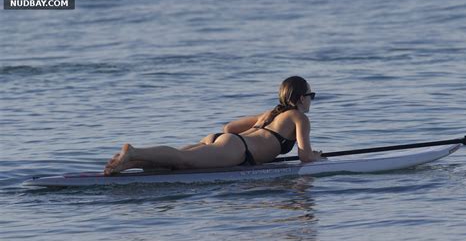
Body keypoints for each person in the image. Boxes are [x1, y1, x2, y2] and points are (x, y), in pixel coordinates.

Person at [104, 76, 323, 175]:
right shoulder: (299, 117)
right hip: (237, 150)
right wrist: (317, 157)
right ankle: (133, 151)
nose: (311, 99)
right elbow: (304, 157)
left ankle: (127, 165)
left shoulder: (272, 113)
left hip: (224, 140)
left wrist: (258, 126)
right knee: (182, 160)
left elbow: (229, 128)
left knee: (177, 162)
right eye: (310, 95)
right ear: (301, 98)